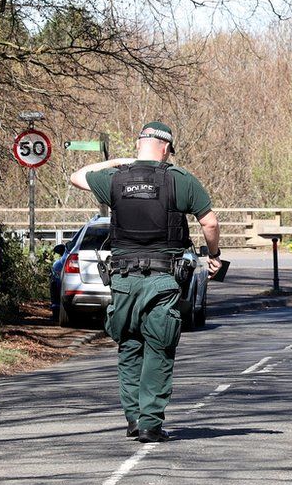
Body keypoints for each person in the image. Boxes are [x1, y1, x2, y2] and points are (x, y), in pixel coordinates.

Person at [70, 121, 222, 443]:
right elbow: (209, 221)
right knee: (159, 347)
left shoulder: (115, 178)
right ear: (166, 148)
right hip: (163, 278)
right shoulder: (180, 181)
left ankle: (133, 420)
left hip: (123, 280)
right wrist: (214, 254)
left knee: (129, 347)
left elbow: (76, 176)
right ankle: (151, 423)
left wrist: (113, 162)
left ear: (139, 144)